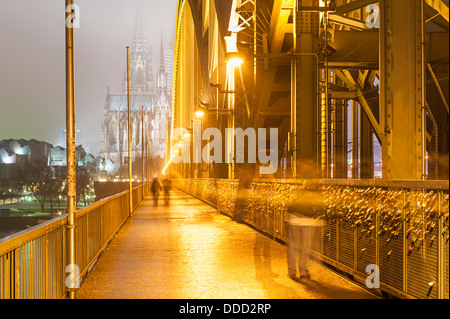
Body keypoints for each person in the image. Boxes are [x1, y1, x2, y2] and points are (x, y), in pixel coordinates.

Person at [285, 187, 325, 281]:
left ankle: (292, 271)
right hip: (307, 221)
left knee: (293, 246)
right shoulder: (316, 195)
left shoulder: (300, 193)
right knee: (305, 247)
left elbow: (291, 207)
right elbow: (321, 208)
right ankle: (303, 271)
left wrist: (287, 220)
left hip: (294, 218)